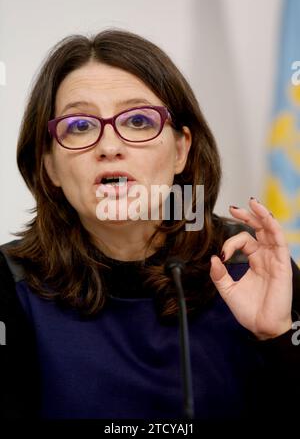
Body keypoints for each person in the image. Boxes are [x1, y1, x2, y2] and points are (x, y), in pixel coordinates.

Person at [0, 28, 300, 422]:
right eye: (79, 126)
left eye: (139, 120)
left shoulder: (249, 264)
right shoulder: (10, 283)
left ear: (181, 149)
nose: (109, 147)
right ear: (49, 165)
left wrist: (277, 337)